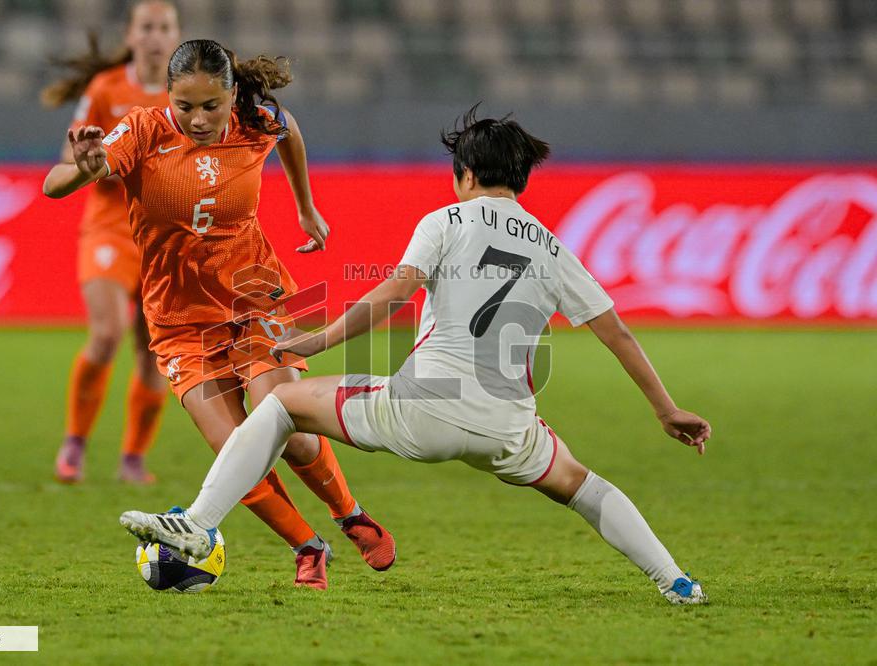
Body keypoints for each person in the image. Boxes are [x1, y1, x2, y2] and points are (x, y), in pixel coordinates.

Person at [119, 107, 713, 604]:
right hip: (509, 427)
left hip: (422, 410)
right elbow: (619, 335)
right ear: (521, 179)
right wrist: (666, 411)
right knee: (585, 486)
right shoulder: (554, 248)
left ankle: (198, 525)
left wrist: (313, 340)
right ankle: (678, 581)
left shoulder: (447, 221)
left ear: (464, 174)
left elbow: (393, 295)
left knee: (278, 406)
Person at [44, 39, 396, 589]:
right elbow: (53, 185)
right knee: (236, 450)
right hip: (180, 322)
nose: (199, 119)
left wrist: (306, 206)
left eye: (212, 106)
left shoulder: (257, 119)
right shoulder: (142, 131)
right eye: (186, 106)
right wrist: (85, 168)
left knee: (290, 428)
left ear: (233, 95)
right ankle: (307, 546)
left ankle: (349, 512)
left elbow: (291, 130)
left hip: (255, 297)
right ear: (169, 98)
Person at [41, 0, 181, 484]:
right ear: (132, 35)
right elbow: (67, 155)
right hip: (109, 228)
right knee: (105, 333)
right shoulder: (106, 88)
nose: (157, 36)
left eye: (165, 27)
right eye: (148, 27)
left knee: (152, 352)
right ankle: (75, 443)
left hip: (162, 238)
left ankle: (132, 458)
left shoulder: (185, 94)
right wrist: (92, 157)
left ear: (176, 35)